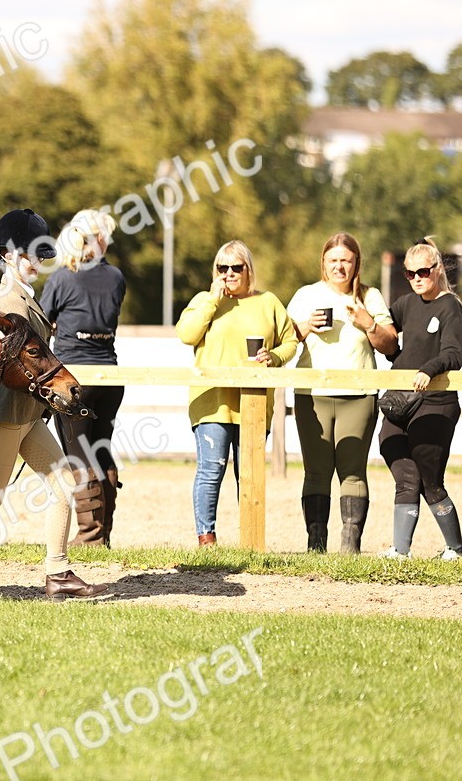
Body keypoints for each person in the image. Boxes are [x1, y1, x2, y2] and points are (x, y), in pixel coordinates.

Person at [0, 208, 110, 600]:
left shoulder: (24, 296)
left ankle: (57, 572)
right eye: (33, 255)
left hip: (28, 413)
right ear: (11, 254)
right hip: (6, 412)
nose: (39, 263)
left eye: (41, 255)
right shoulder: (10, 303)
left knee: (63, 483)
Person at [175, 240, 298, 546]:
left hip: (254, 402)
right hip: (212, 400)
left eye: (236, 267)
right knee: (211, 470)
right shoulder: (205, 300)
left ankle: (251, 540)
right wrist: (212, 301)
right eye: (222, 268)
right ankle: (206, 538)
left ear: (248, 270)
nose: (229, 273)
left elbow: (290, 341)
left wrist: (276, 357)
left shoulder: (268, 302)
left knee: (249, 475)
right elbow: (186, 334)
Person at [287, 233, 397, 553]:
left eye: (345, 260)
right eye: (333, 260)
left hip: (359, 394)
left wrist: (369, 324)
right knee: (317, 470)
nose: (339, 266)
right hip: (312, 394)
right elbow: (282, 340)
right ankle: (316, 546)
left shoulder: (370, 296)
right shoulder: (306, 295)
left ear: (356, 264)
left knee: (352, 470)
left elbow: (391, 344)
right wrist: (305, 326)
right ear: (323, 263)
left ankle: (350, 547)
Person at [40, 209, 126, 548]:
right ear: (99, 238)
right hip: (110, 376)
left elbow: (42, 325)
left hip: (74, 378)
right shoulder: (117, 277)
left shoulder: (61, 278)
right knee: (102, 449)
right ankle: (102, 533)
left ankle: (89, 535)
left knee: (78, 454)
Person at [377, 238, 462, 561]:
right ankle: (401, 550)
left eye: (423, 272)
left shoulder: (451, 306)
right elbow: (388, 335)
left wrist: (429, 369)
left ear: (437, 269)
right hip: (400, 401)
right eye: (409, 273)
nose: (416, 278)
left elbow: (455, 353)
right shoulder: (405, 303)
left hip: (436, 403)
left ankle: (456, 548)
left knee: (430, 480)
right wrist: (368, 324)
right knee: (403, 471)